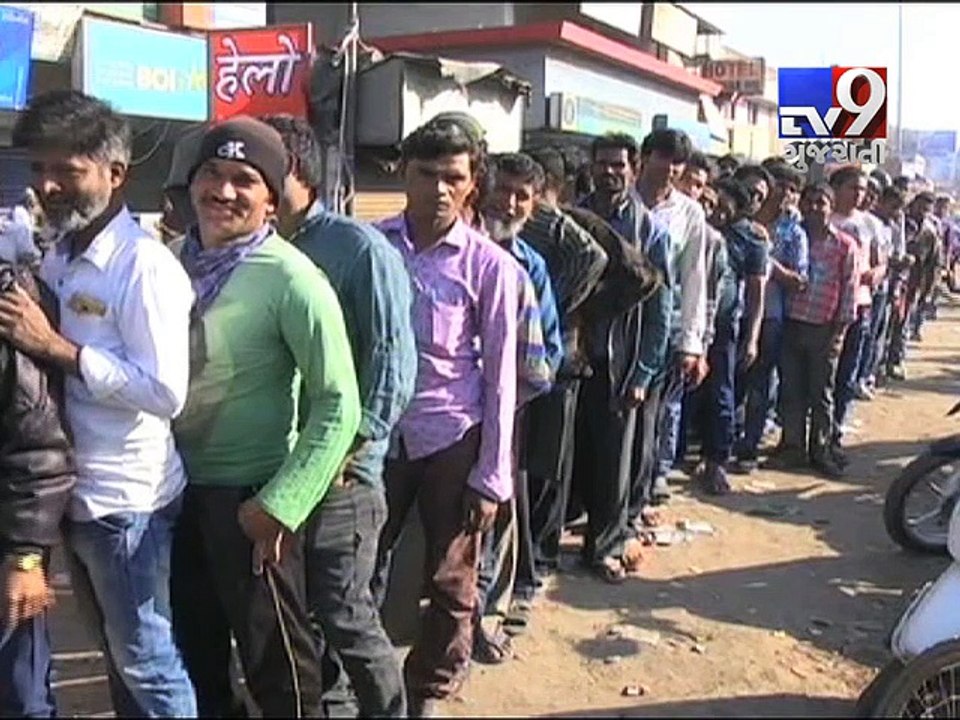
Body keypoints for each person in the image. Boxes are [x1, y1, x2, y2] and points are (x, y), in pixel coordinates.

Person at [1, 89, 197, 717]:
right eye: (39, 168)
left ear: (116, 174)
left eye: (67, 169)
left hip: (126, 503)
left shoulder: (144, 266)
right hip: (77, 497)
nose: (47, 185)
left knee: (147, 661)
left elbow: (165, 392)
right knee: (119, 656)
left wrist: (58, 348)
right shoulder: (60, 254)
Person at [170, 116, 362, 718]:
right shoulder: (168, 264)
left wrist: (281, 505)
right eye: (211, 174)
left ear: (273, 200)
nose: (223, 191)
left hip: (253, 504)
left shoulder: (292, 278)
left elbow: (339, 402)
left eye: (244, 180)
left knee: (278, 666)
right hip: (174, 496)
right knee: (196, 655)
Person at [262, 114, 417, 718]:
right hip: (278, 469)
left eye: (261, 168)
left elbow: (393, 363)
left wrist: (350, 450)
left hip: (342, 476)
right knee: (299, 614)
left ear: (294, 171)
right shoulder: (259, 249)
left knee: (345, 613)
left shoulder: (358, 249)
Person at [373, 118, 520, 717]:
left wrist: (491, 476)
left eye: (452, 177)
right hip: (377, 436)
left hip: (453, 438)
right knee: (359, 566)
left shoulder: (490, 266)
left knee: (451, 580)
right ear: (404, 175)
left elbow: (502, 377)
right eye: (425, 173)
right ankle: (363, 682)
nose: (438, 188)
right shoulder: (373, 247)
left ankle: (427, 692)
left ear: (471, 184)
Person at [474, 152, 562, 651]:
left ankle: (484, 617)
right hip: (444, 414)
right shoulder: (458, 249)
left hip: (506, 415)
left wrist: (511, 398)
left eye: (521, 196)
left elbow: (548, 351)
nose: (508, 203)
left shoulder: (532, 268)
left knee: (498, 515)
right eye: (502, 190)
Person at [575, 132, 671, 582]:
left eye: (618, 165)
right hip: (574, 358)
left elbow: (660, 309)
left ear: (633, 169)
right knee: (574, 456)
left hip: (621, 362)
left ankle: (606, 545)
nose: (610, 172)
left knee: (616, 459)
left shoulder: (649, 231)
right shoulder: (573, 217)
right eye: (603, 163)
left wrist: (643, 373)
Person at [521, 146, 607, 583]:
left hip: (559, 359)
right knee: (539, 466)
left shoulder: (551, 223)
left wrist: (550, 306)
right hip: (543, 359)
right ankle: (535, 554)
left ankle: (541, 556)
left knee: (547, 465)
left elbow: (595, 258)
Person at [0, 262, 75, 718]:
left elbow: (37, 441)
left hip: (7, 544)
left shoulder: (9, 302)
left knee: (20, 695)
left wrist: (25, 557)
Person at [632, 129, 708, 521]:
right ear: (645, 157)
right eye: (663, 158)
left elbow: (694, 278)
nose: (670, 168)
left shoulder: (689, 213)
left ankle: (641, 494)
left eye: (678, 162)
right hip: (616, 327)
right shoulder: (623, 202)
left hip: (662, 329)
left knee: (653, 417)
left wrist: (692, 342)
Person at [773, 182, 857, 478]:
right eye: (808, 202)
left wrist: (839, 333)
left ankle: (820, 450)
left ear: (831, 207)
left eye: (820, 202)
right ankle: (792, 447)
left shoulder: (844, 245)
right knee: (791, 390)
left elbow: (849, 291)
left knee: (821, 393)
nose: (813, 208)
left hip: (824, 327)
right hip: (792, 322)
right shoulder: (793, 237)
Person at [691, 178, 767, 494]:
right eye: (713, 204)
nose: (716, 211)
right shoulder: (696, 224)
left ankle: (716, 461)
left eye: (723, 205)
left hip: (724, 327)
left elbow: (756, 292)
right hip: (691, 322)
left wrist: (752, 338)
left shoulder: (752, 238)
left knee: (721, 393)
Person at [733, 162, 808, 474]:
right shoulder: (736, 219)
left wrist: (763, 257)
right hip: (732, 311)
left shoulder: (794, 232)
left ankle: (748, 447)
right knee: (730, 382)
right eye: (780, 186)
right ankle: (723, 443)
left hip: (770, 316)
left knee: (760, 384)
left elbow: (799, 280)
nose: (784, 194)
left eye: (791, 189)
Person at [828, 166, 876, 462]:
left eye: (862, 189)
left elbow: (878, 261)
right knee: (822, 376)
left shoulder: (868, 223)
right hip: (824, 307)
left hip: (859, 304)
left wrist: (876, 273)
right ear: (836, 188)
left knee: (846, 373)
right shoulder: (822, 217)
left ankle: (835, 432)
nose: (859, 194)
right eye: (853, 188)